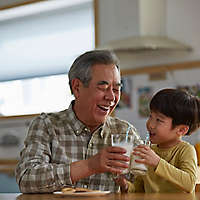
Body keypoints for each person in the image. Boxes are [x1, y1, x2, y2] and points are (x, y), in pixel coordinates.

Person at [15, 50, 141, 193]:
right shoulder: (46, 125)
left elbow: (148, 185)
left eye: (116, 89)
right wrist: (89, 166)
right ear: (77, 87)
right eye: (103, 87)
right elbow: (26, 179)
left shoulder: (125, 132)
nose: (111, 97)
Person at [117, 88, 200, 193]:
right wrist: (125, 186)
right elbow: (139, 190)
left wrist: (157, 162)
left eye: (159, 120)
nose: (150, 124)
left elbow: (189, 184)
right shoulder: (149, 152)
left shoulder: (186, 150)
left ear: (181, 130)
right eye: (150, 116)